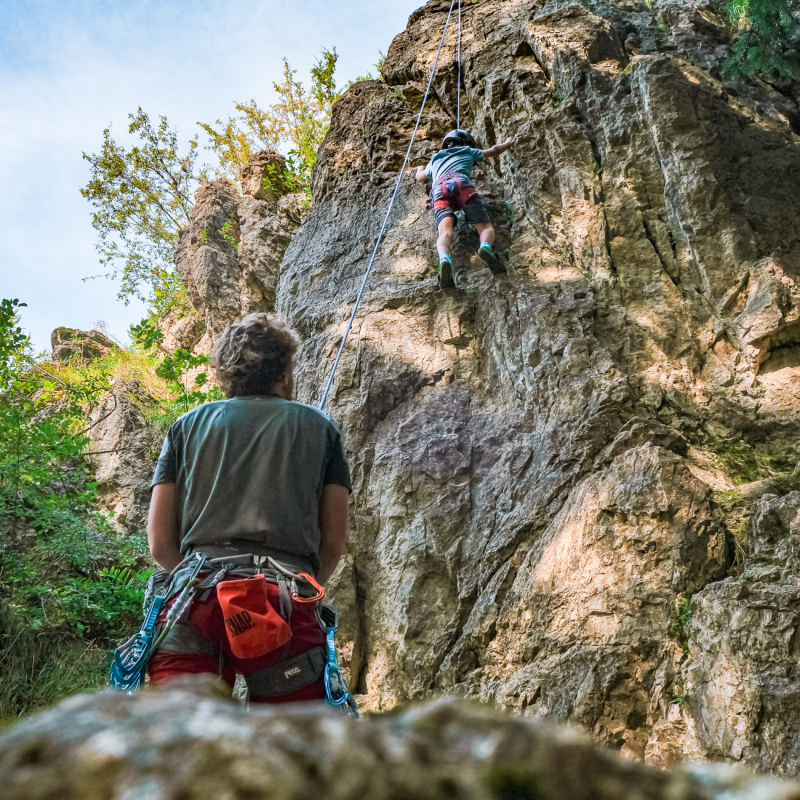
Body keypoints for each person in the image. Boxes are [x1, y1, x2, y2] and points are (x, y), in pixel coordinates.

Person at [146, 312, 351, 704]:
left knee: (177, 746)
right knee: (287, 748)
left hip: (193, 600)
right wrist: (305, 588)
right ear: (285, 371)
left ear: (227, 372)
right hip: (284, 598)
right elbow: (333, 543)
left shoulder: (186, 426)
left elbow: (160, 543)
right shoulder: (321, 428)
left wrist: (200, 579)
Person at [412, 129, 516, 288]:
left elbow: (420, 177)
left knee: (445, 232)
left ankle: (444, 259)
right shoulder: (467, 150)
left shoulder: (435, 160)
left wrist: (420, 167)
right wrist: (508, 143)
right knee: (485, 227)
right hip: (461, 184)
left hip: (439, 190)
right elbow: (493, 151)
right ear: (466, 143)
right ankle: (485, 248)